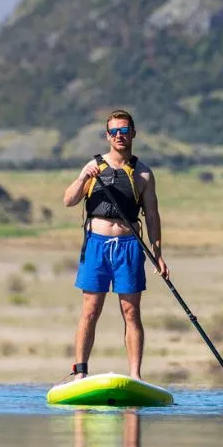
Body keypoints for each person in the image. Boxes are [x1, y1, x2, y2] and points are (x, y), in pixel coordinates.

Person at [62, 110, 169, 380]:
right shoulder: (94, 165)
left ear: (133, 133)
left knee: (131, 311)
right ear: (107, 135)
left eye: (124, 131)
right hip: (96, 245)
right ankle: (80, 373)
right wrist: (83, 178)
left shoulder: (143, 174)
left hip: (129, 246)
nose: (119, 136)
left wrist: (158, 254)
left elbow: (152, 215)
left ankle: (135, 376)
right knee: (90, 309)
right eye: (114, 132)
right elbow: (68, 200)